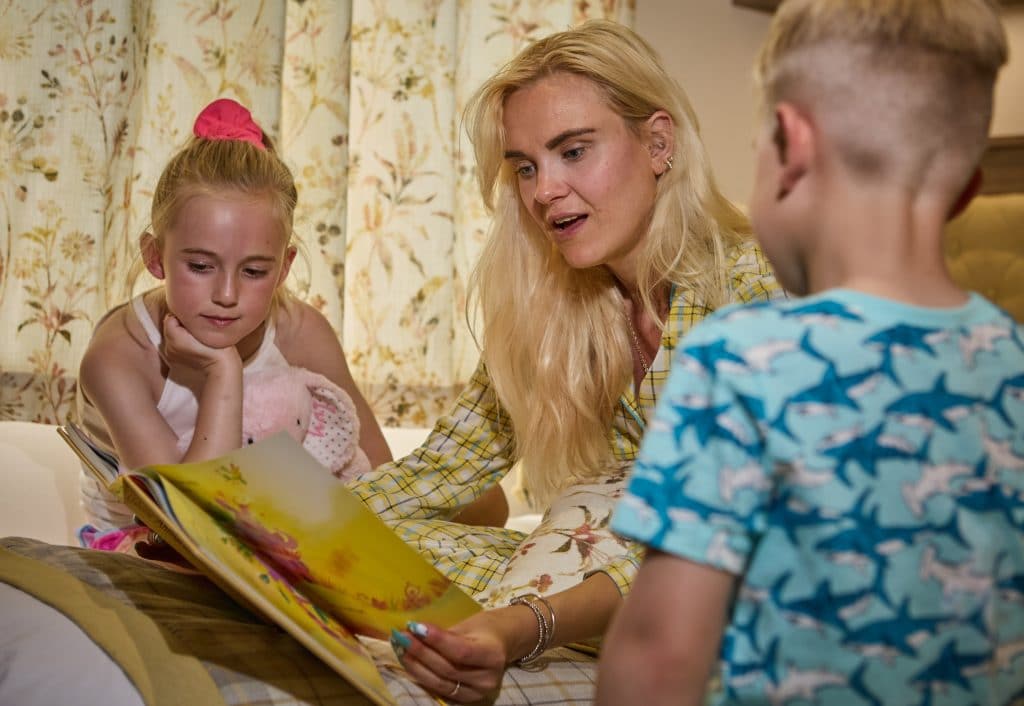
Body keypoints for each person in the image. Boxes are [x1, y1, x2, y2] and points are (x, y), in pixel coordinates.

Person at [598, 2, 1021, 705]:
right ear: (967, 190)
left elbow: (659, 656)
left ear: (791, 147)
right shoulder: (1013, 366)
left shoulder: (739, 362)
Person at [356, 19, 781, 702]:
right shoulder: (551, 306)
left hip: (742, 587)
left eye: (573, 151)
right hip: (622, 586)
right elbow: (442, 468)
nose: (543, 190)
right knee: (376, 551)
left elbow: (711, 530)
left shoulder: (754, 290)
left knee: (610, 509)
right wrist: (264, 530)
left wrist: (522, 625)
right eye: (525, 166)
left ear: (659, 144)